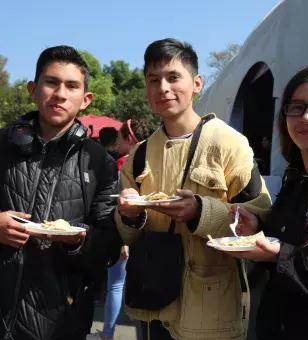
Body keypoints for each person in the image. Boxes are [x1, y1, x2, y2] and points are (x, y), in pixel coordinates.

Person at [115, 38, 271, 340]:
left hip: (211, 309)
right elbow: (127, 235)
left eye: (174, 77)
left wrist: (202, 211)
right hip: (152, 306)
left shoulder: (229, 143)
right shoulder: (139, 155)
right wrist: (129, 214)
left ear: (197, 83)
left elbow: (260, 216)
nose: (163, 88)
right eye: (153, 80)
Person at [0, 45, 122, 340]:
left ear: (85, 99)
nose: (60, 93)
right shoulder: (1, 144)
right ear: (33, 89)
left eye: (72, 86)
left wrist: (78, 241)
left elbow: (109, 247)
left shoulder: (99, 163)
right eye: (51, 82)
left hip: (60, 322)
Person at [226, 65, 308, 340]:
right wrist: (258, 225)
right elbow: (292, 236)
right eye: (296, 107)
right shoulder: (297, 176)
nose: (307, 117)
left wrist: (279, 255)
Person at [87, 119, 150, 340]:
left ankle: (108, 333)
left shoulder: (125, 164)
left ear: (130, 139)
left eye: (121, 139)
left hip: (125, 232)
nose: (118, 143)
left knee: (116, 284)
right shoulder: (154, 159)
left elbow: (120, 205)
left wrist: (122, 239)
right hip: (148, 236)